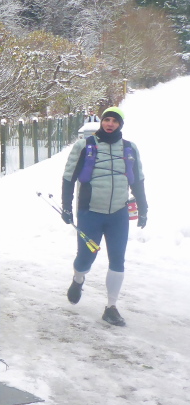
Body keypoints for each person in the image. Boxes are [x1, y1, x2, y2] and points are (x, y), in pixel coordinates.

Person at [61, 106, 147, 327]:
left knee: (117, 259)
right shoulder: (84, 146)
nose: (110, 124)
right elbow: (69, 177)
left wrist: (143, 208)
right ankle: (78, 279)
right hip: (90, 212)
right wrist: (66, 206)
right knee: (85, 259)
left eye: (115, 121)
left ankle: (111, 307)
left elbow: (138, 180)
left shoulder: (129, 148)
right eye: (107, 119)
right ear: (101, 122)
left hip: (118, 214)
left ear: (120, 124)